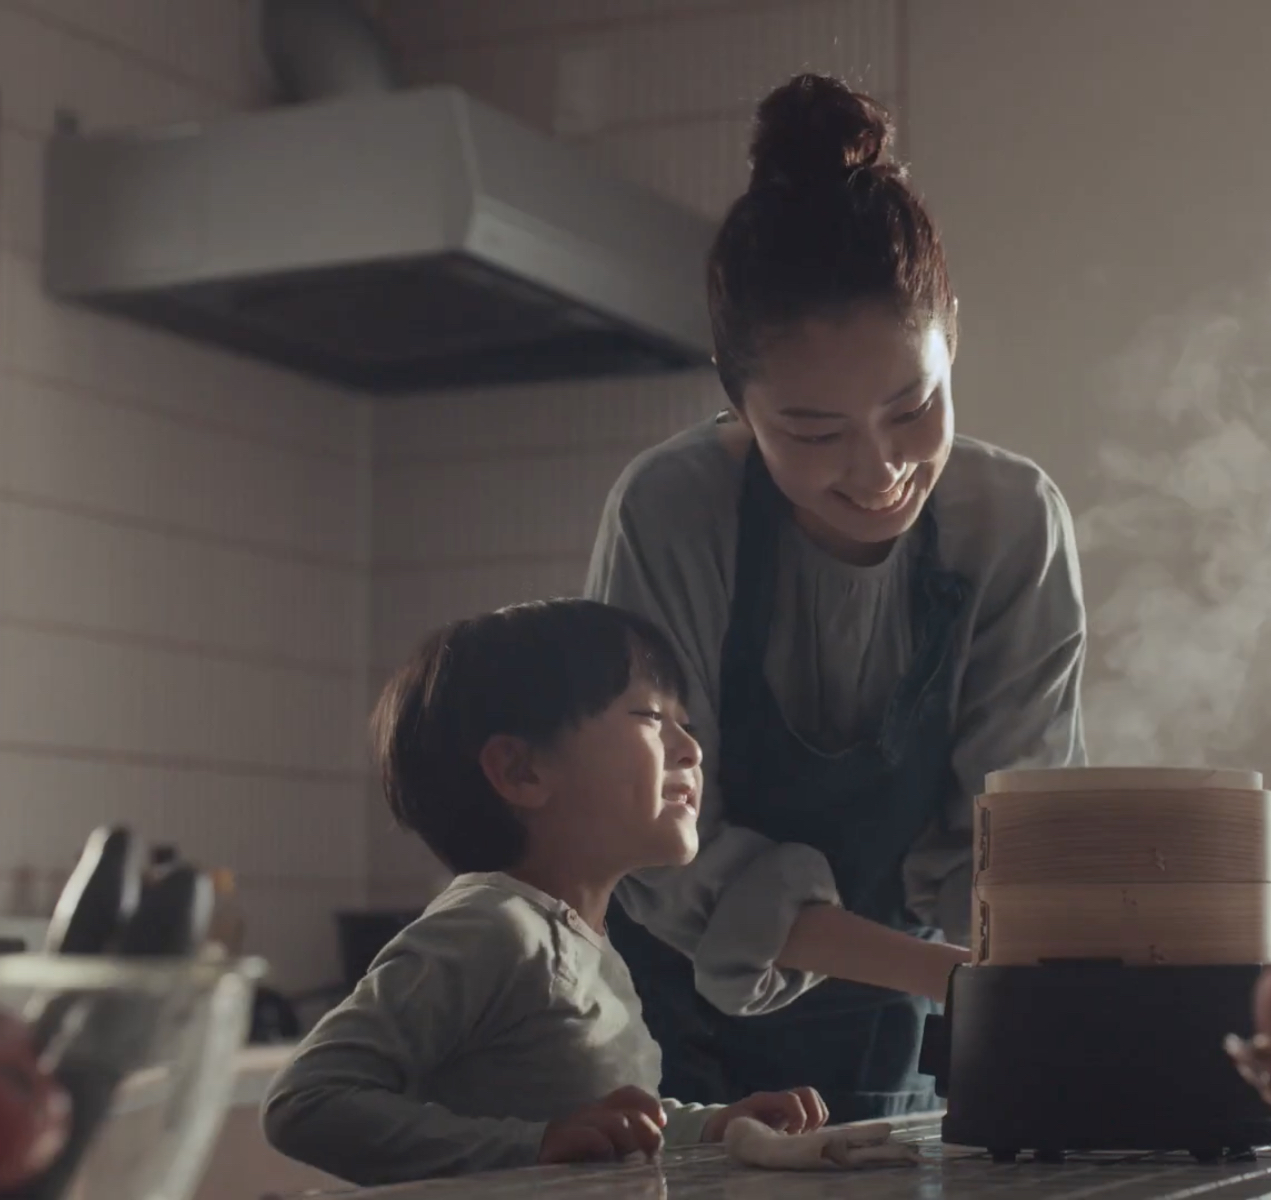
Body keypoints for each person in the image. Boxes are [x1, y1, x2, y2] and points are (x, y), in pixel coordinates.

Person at [586, 73, 1087, 1122]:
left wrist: (1126, 951)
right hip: (653, 1026)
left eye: (914, 407)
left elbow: (1011, 845)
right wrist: (959, 977)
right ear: (736, 398)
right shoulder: (673, 511)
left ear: (953, 337)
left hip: (883, 1017)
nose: (880, 470)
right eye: (813, 432)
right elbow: (653, 837)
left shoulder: (1012, 525)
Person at [260, 599, 830, 1186]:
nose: (691, 748)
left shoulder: (579, 941)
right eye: (651, 717)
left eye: (685, 722)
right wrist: (530, 1147)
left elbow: (593, 1125)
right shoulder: (491, 927)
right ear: (521, 771)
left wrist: (714, 1126)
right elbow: (306, 1102)